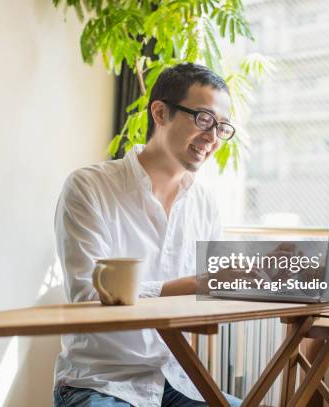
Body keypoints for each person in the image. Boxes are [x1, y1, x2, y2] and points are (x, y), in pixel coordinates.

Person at [53, 63, 242, 407]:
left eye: (222, 127)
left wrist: (266, 275)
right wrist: (191, 285)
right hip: (100, 382)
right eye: (203, 120)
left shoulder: (205, 204)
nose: (213, 138)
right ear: (160, 112)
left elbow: (215, 289)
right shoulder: (88, 187)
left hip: (176, 380)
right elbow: (88, 297)